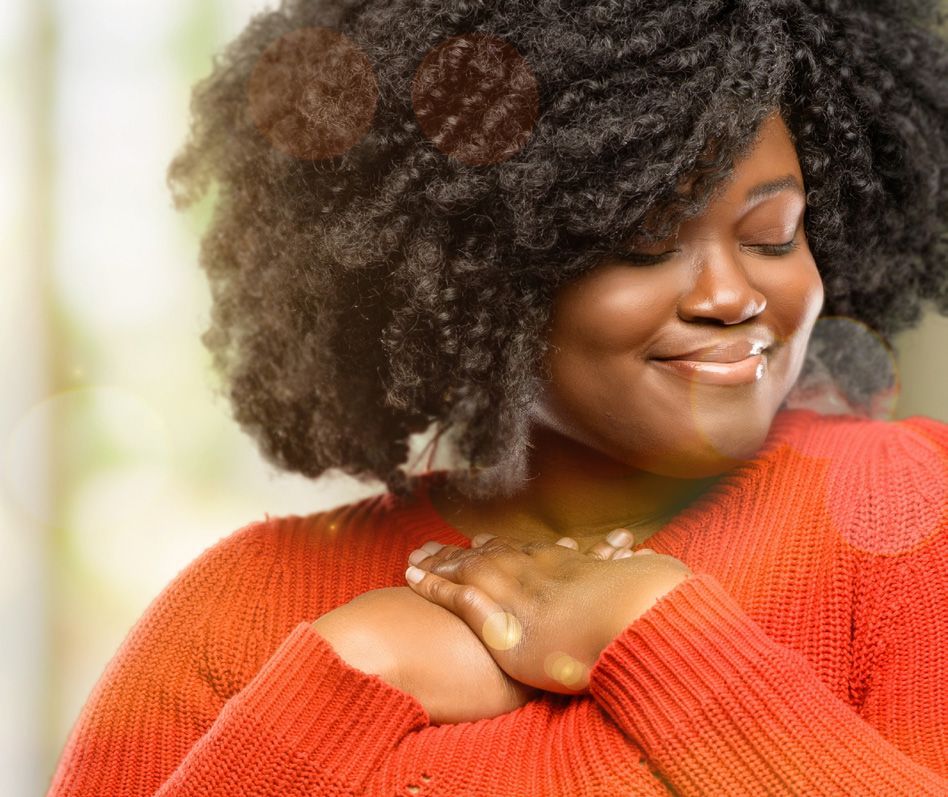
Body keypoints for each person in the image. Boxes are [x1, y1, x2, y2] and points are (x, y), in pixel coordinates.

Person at [46, 1, 948, 795]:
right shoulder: (236, 613)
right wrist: (361, 666)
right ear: (478, 270)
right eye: (643, 246)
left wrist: (647, 632)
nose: (729, 295)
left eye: (773, 235)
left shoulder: (905, 513)